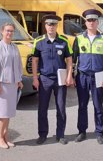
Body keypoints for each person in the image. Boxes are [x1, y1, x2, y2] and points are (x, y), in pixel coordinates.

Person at [32, 15, 74, 145]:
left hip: (60, 79)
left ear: (57, 26)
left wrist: (69, 76)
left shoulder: (64, 41)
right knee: (42, 108)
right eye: (49, 24)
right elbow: (34, 60)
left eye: (53, 24)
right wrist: (35, 78)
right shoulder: (38, 41)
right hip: (44, 79)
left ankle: (60, 134)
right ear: (45, 26)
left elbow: (69, 60)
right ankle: (42, 134)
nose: (51, 27)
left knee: (61, 107)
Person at [73, 9, 103, 145]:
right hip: (82, 76)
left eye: (94, 20)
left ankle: (99, 132)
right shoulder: (78, 38)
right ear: (85, 22)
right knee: (82, 105)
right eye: (89, 20)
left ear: (98, 22)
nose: (91, 22)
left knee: (98, 106)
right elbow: (73, 60)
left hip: (98, 75)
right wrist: (72, 77)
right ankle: (82, 132)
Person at [0, 22, 24, 149]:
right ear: (2, 32)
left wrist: (19, 80)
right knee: (3, 114)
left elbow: (18, 65)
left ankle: (5, 137)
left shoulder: (14, 47)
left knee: (8, 113)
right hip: (2, 84)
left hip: (13, 84)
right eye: (7, 31)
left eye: (11, 31)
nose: (9, 33)